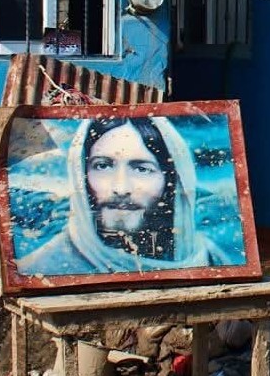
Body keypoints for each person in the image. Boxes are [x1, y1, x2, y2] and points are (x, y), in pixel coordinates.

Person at [19, 116, 235, 276]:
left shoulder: (208, 259)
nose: (121, 188)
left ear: (171, 180)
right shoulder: (41, 270)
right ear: (82, 175)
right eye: (102, 166)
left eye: (141, 169)